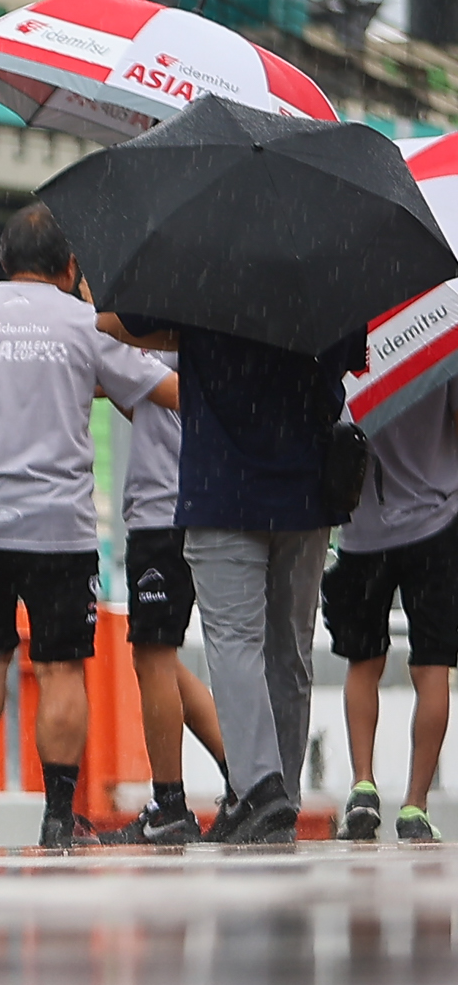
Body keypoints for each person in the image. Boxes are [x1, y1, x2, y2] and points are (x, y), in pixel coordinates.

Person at [0, 206, 175, 852]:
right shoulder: (85, 323)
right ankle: (57, 815)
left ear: (0, 263)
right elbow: (165, 391)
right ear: (70, 267)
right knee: (59, 667)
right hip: (57, 527)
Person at [123, 310, 362, 843]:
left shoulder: (204, 275)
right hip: (305, 491)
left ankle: (259, 792)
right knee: (290, 650)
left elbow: (120, 323)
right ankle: (282, 796)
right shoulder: (324, 271)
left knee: (234, 641)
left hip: (223, 488)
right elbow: (346, 359)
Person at [324, 382, 458, 844]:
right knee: (432, 666)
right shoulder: (439, 341)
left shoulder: (352, 345)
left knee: (363, 662)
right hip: (436, 527)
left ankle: (363, 786)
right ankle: (415, 807)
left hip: (364, 532)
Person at [115, 332, 229, 846]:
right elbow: (136, 398)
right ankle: (249, 780)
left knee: (154, 653)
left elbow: (178, 394)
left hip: (168, 506)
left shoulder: (149, 323)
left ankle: (170, 803)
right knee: (160, 656)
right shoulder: (204, 308)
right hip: (205, 501)